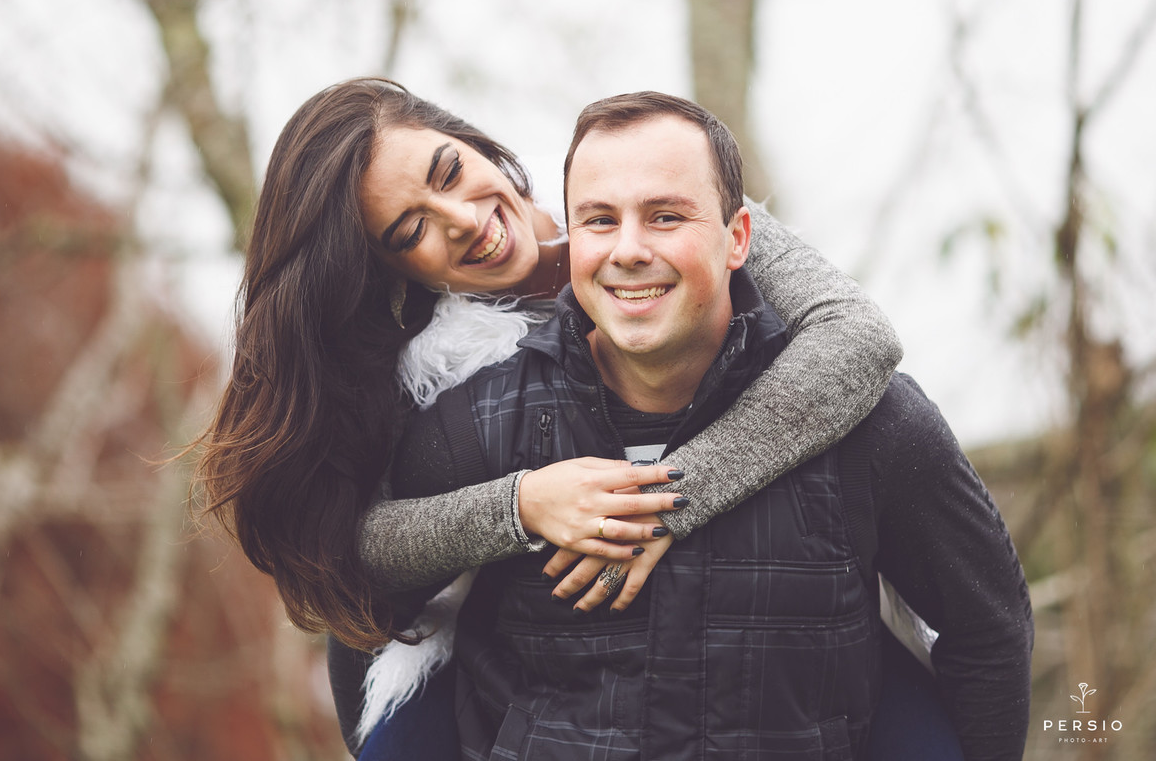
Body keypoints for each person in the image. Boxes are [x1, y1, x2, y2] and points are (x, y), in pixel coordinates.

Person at [337, 92, 1033, 760]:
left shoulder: (641, 170)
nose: (458, 217)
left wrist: (672, 497)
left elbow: (858, 335)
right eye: (410, 229)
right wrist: (519, 505)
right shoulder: (442, 399)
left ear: (736, 238)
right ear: (393, 271)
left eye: (451, 172)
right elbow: (357, 578)